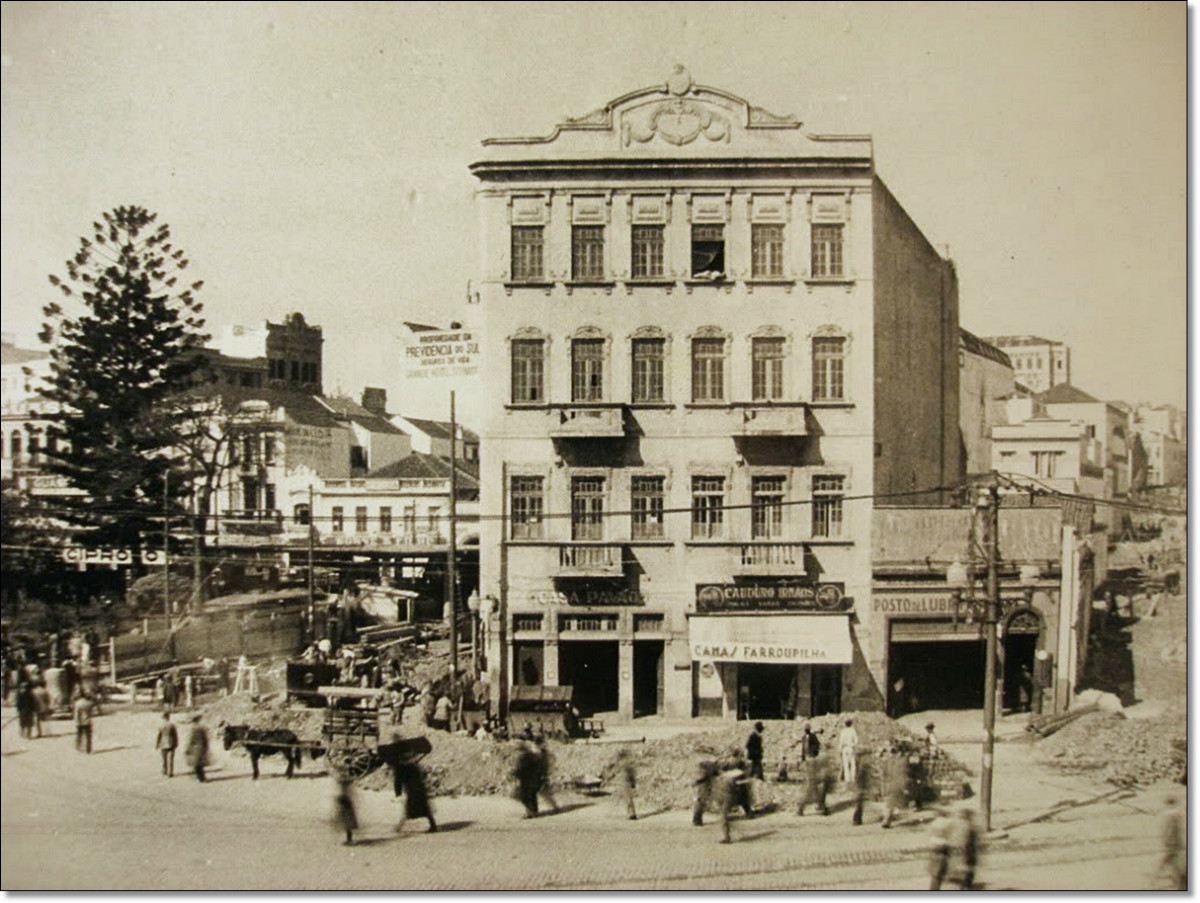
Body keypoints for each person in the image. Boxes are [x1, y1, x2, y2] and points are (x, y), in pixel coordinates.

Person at [393, 753, 437, 833]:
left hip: (412, 790)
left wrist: (398, 793)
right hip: (419, 789)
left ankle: (399, 827)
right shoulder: (414, 766)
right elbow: (423, 776)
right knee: (425, 809)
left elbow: (398, 782)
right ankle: (433, 825)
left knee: (409, 809)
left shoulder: (400, 768)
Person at [945, 804, 980, 889]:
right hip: (968, 852)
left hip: (965, 852)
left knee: (965, 873)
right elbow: (968, 841)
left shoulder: (963, 825)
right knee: (967, 873)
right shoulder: (969, 827)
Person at [713, 761, 746, 844]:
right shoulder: (730, 778)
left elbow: (718, 790)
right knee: (724, 818)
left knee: (724, 818)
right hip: (726, 799)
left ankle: (727, 837)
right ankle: (727, 835)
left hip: (725, 799)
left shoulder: (722, 779)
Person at [1160, 789, 1186, 890]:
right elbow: (1178, 830)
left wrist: (1166, 841)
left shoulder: (1169, 814)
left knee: (1170, 862)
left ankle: (1155, 880)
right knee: (1174, 863)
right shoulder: (1176, 814)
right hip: (1176, 843)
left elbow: (1168, 830)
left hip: (1173, 843)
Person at [512, 741, 542, 818]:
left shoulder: (524, 757)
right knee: (532, 796)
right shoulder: (532, 756)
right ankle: (534, 812)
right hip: (533, 779)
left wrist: (514, 773)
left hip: (527, 780)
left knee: (525, 796)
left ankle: (530, 812)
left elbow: (522, 769)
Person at [928, 807, 954, 889]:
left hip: (933, 845)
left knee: (935, 872)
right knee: (940, 870)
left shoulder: (934, 822)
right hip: (943, 845)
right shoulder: (948, 822)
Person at [535, 736, 560, 814]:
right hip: (542, 774)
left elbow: (544, 764)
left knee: (544, 792)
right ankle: (554, 807)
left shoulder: (541, 754)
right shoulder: (543, 753)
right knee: (544, 792)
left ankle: (554, 807)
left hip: (541, 774)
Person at [332, 773, 359, 846]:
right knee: (347, 822)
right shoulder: (347, 783)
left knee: (346, 822)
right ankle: (349, 838)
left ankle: (348, 839)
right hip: (346, 801)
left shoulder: (343, 784)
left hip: (345, 801)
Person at [692, 757, 718, 827]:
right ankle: (697, 820)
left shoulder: (703, 769)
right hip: (704, 788)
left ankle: (697, 820)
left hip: (702, 788)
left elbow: (699, 778)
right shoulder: (710, 768)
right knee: (701, 803)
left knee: (700, 803)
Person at [185, 716, 210, 782]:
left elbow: (191, 740)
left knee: (197, 764)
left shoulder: (193, 729)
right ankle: (201, 777)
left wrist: (188, 748)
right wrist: (206, 747)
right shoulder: (202, 728)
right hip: (201, 747)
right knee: (199, 763)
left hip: (195, 747)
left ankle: (200, 778)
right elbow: (206, 739)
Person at [615, 748, 637, 820]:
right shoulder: (626, 764)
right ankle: (631, 813)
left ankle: (631, 814)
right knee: (628, 799)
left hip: (626, 783)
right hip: (626, 783)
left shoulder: (624, 765)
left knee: (628, 799)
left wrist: (633, 782)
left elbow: (631, 774)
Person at [156, 711, 179, 777]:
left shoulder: (160, 725)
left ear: (163, 718)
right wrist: (176, 742)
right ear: (168, 717)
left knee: (164, 758)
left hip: (163, 743)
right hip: (171, 743)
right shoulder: (172, 725)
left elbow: (159, 735)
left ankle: (165, 770)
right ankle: (170, 772)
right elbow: (175, 735)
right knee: (171, 758)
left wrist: (157, 743)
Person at [839, 717, 859, 783]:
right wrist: (853, 745)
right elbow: (856, 741)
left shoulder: (843, 731)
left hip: (845, 748)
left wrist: (840, 749)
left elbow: (841, 742)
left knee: (846, 764)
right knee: (852, 763)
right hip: (850, 748)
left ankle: (847, 779)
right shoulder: (853, 731)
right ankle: (852, 778)